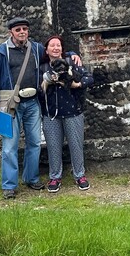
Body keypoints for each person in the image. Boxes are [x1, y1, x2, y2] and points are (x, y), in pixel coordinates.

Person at [0, 17, 47, 200]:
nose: (22, 32)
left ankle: (31, 178)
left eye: (25, 29)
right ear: (11, 32)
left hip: (33, 102)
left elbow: (54, 54)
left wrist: (71, 56)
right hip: (11, 104)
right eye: (18, 29)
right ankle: (9, 185)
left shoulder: (36, 49)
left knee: (35, 142)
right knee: (9, 146)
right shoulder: (2, 51)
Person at [39, 35, 94, 193]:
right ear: (47, 49)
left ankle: (80, 175)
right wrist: (46, 83)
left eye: (59, 45)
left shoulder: (71, 63)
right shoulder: (42, 68)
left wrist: (76, 84)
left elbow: (89, 78)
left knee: (76, 145)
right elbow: (38, 92)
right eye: (52, 46)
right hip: (51, 113)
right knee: (53, 147)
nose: (56, 48)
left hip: (72, 111)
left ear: (62, 49)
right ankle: (55, 176)